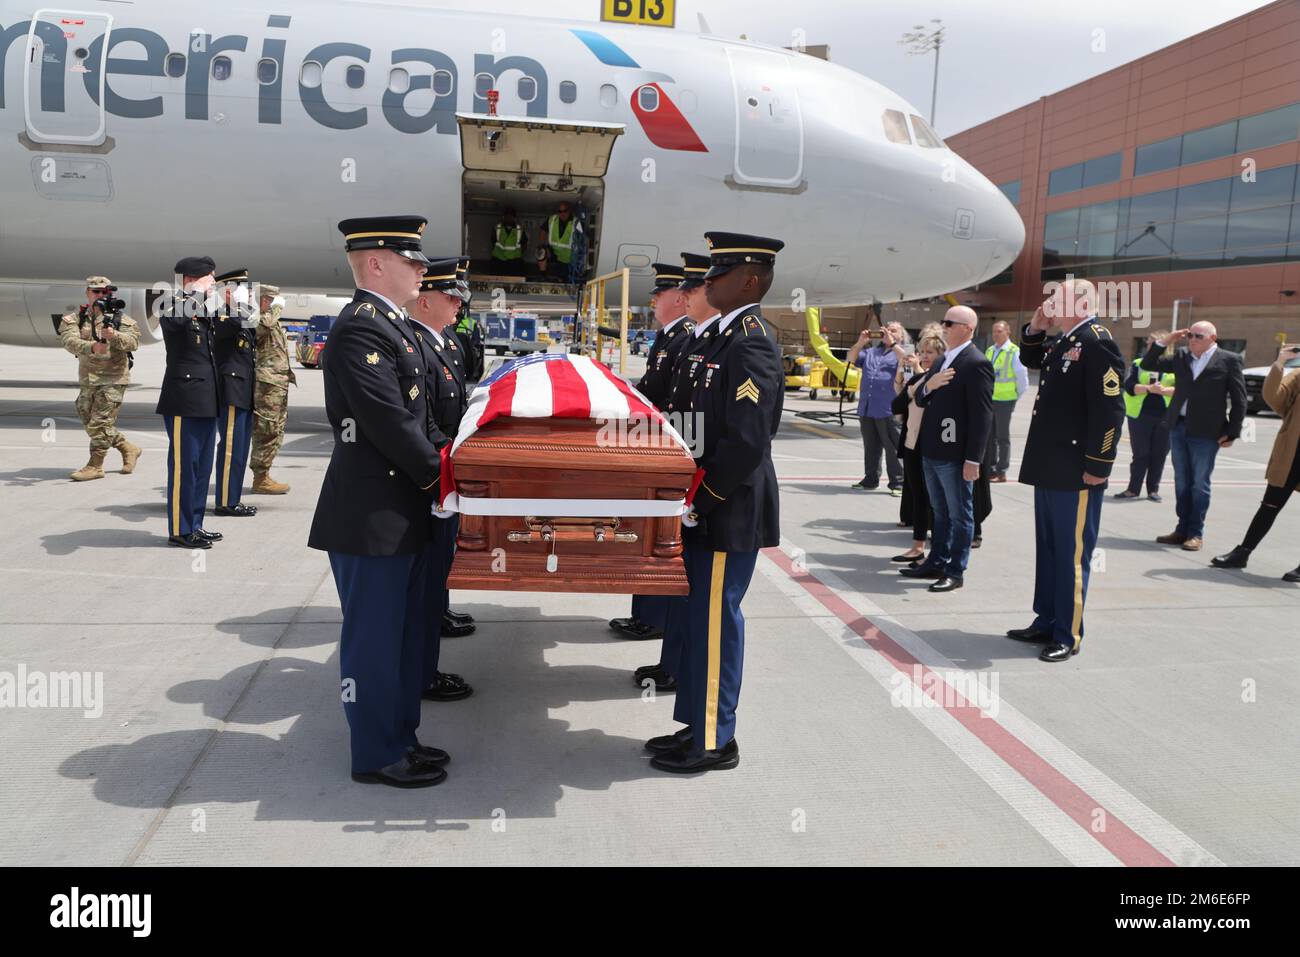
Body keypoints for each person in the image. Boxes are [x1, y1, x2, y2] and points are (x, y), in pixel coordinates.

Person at [307, 215, 450, 789]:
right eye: (410, 260)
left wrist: (454, 460)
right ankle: (374, 752)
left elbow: (424, 418)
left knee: (399, 636)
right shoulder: (362, 328)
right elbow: (390, 424)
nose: (421, 269)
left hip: (401, 509)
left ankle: (401, 738)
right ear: (375, 264)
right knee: (372, 641)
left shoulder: (395, 326)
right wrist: (444, 477)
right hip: (372, 517)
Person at [645, 231, 784, 775]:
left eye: (716, 274)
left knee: (715, 624)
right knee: (700, 622)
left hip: (728, 510)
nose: (705, 284)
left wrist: (700, 498)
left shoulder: (750, 342)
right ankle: (695, 727)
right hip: (702, 505)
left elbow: (747, 442)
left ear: (749, 281)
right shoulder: (714, 340)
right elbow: (689, 424)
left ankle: (716, 740)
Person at [1006, 279, 1125, 662]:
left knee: (1072, 554)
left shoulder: (1096, 340)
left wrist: (1098, 464)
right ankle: (1047, 619)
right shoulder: (1067, 339)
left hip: (1076, 470)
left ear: (1079, 301)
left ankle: (1067, 633)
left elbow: (1110, 409)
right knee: (1051, 549)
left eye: (1054, 299)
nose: (1048, 303)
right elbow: (1031, 361)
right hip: (1051, 464)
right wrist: (1036, 330)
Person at [609, 261, 691, 654]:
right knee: (648, 538)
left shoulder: (683, 339)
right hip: (655, 445)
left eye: (658, 295)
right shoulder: (668, 337)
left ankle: (654, 618)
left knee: (660, 541)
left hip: (669, 449)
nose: (653, 300)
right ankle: (647, 614)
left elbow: (673, 405)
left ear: (678, 297)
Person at [406, 258, 476, 703]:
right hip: (432, 478)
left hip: (446, 474)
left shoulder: (445, 339)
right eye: (451, 296)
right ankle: (423, 673)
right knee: (426, 580)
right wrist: (446, 469)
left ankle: (428, 660)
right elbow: (422, 419)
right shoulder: (415, 343)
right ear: (426, 299)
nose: (458, 304)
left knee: (438, 571)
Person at [900, 306, 993, 593]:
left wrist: (973, 459)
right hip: (932, 451)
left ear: (967, 327)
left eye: (949, 323)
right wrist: (929, 387)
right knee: (939, 512)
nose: (944, 326)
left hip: (954, 455)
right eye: (944, 321)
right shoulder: (943, 360)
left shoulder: (976, 362)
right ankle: (937, 561)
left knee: (959, 515)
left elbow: (982, 416)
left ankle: (955, 570)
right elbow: (923, 399)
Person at [1143, 322, 1247, 552]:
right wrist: (1167, 340)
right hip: (1179, 427)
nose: (1192, 339)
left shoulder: (1228, 359)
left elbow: (1239, 399)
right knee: (1182, 482)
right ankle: (1181, 529)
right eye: (1190, 335)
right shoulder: (1181, 355)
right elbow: (1149, 364)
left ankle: (1195, 533)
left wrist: (1232, 432)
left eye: (1198, 336)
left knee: (1200, 483)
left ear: (1213, 337)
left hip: (1208, 432)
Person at [1211, 344, 1300, 581]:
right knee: (1270, 505)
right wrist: (1280, 363)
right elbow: (1274, 398)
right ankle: (1243, 553)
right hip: (1292, 453)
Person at [156, 256, 223, 549]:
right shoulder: (172, 303)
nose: (214, 283)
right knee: (184, 467)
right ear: (191, 279)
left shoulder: (204, 307)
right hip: (184, 399)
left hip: (207, 398)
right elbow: (174, 323)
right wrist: (196, 292)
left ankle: (195, 523)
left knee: (202, 467)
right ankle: (180, 530)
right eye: (210, 277)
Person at [58, 276, 142, 481]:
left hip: (113, 378)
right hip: (88, 379)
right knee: (88, 418)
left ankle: (95, 466)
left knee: (100, 422)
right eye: (96, 292)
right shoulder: (76, 318)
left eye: (104, 292)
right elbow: (68, 340)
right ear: (88, 293)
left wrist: (114, 336)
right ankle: (127, 447)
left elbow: (133, 343)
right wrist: (91, 347)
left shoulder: (122, 320)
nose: (100, 296)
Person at [891, 333, 944, 563]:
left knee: (936, 500)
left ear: (942, 355)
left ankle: (937, 549)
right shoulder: (917, 380)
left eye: (930, 352)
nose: (924, 356)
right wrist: (911, 384)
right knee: (919, 498)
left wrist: (921, 384)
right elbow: (896, 404)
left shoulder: (943, 379)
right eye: (922, 352)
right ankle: (918, 546)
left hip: (933, 447)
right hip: (913, 444)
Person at [212, 268, 259, 518]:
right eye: (240, 287)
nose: (247, 291)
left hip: (242, 389)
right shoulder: (219, 314)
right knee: (230, 447)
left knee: (240, 448)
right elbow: (232, 325)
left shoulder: (238, 314)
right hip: (230, 388)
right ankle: (225, 502)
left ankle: (233, 499)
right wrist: (231, 302)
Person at [1114, 332, 1176, 503]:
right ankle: (1133, 489)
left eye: (1153, 343)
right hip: (1140, 416)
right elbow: (1129, 386)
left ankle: (1153, 490)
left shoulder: (1177, 365)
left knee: (1160, 454)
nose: (1149, 346)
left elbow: (1184, 390)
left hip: (1166, 416)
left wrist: (1163, 390)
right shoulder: (1138, 364)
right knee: (1140, 454)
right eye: (1148, 343)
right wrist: (1149, 388)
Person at [848, 321, 908, 493]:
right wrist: (860, 343)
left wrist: (893, 344)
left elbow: (908, 361)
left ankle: (898, 482)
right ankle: (870, 478)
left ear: (901, 336)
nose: (889, 332)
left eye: (894, 330)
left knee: (893, 447)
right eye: (887, 330)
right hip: (868, 406)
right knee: (871, 445)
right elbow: (851, 359)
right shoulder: (872, 352)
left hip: (889, 407)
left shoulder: (904, 350)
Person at [249, 283, 296, 494]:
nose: (271, 303)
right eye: (268, 299)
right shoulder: (254, 317)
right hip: (267, 386)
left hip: (277, 383)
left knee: (276, 429)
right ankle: (260, 478)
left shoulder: (270, 318)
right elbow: (262, 328)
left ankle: (265, 474)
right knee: (266, 430)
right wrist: (275, 310)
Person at [983, 320, 1028, 482]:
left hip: (1005, 401)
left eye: (999, 331)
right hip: (990, 400)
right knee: (990, 436)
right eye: (994, 331)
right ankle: (991, 468)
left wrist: (1014, 397)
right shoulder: (990, 350)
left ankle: (1002, 471)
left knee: (1002, 437)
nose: (996, 334)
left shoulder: (1013, 351)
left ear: (1008, 332)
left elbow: (1023, 380)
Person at [538, 201, 577, 282]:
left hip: (567, 258)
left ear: (569, 211)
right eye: (560, 211)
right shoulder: (552, 219)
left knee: (563, 279)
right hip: (554, 253)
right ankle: (542, 276)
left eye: (565, 211)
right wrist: (541, 245)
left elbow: (584, 236)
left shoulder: (576, 222)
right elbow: (543, 230)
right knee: (541, 251)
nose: (562, 214)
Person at [489, 207, 526, 274]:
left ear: (514, 218)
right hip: (498, 261)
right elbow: (493, 242)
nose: (509, 218)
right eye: (507, 216)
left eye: (511, 216)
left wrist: (516, 255)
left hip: (515, 262)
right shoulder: (497, 228)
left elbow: (524, 245)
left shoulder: (520, 229)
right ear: (503, 217)